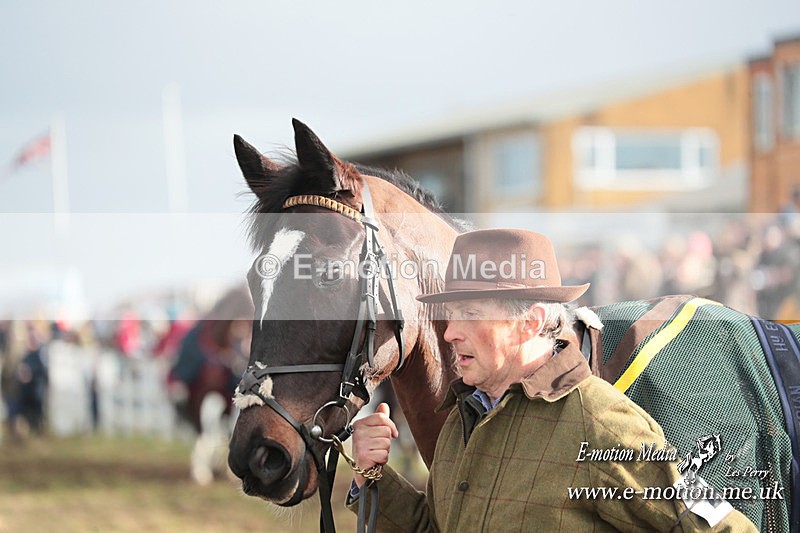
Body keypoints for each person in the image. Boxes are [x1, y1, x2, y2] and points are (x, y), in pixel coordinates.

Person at [347, 229, 756, 531]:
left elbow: (722, 528)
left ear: (530, 323)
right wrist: (370, 475)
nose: (451, 332)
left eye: (470, 314)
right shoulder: (463, 417)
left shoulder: (602, 424)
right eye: (451, 315)